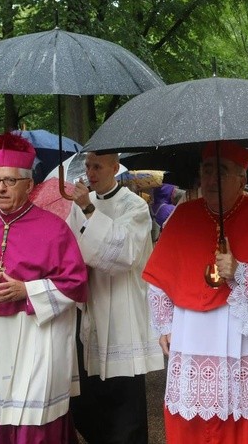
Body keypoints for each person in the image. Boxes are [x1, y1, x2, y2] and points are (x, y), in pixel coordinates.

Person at [142, 141, 248, 444]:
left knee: (244, 413)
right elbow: (160, 276)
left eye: (222, 171)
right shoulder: (182, 216)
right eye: (207, 170)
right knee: (194, 415)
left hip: (242, 332)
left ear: (242, 178)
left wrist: (239, 271)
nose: (212, 179)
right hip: (192, 329)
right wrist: (164, 325)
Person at [0, 132, 88, 444]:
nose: (0, 188)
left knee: (37, 422)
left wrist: (26, 291)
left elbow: (76, 283)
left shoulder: (55, 228)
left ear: (29, 185)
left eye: (10, 181)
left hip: (40, 336)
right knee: (6, 417)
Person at [66, 152, 164, 444]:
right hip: (93, 303)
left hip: (122, 306)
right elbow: (73, 248)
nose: (90, 172)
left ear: (114, 167)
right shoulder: (81, 205)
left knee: (125, 403)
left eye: (97, 166)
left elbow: (123, 254)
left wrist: (88, 211)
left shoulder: (134, 205)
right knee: (87, 399)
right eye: (87, 166)